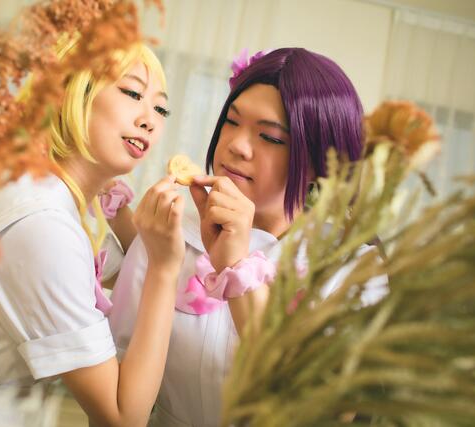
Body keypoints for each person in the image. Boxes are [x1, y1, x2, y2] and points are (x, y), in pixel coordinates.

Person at [0, 35, 185, 427]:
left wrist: (120, 211)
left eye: (161, 108)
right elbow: (122, 417)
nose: (150, 119)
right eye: (133, 93)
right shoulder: (45, 227)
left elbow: (122, 272)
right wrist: (166, 269)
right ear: (72, 92)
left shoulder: (40, 186)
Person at [108, 47, 388, 426]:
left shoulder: (352, 267)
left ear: (320, 162)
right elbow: (115, 402)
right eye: (231, 121)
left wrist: (237, 267)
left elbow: (326, 413)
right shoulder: (166, 237)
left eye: (270, 137)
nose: (236, 146)